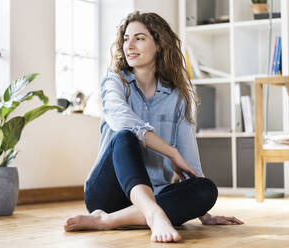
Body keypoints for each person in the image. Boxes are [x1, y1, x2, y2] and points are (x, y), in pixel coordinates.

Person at [64, 11, 243, 243]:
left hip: (155, 192)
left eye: (139, 38)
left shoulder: (178, 97)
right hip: (108, 194)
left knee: (206, 189)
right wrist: (171, 151)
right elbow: (123, 121)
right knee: (125, 136)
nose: (129, 45)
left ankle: (107, 221)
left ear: (159, 44)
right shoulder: (114, 80)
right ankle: (153, 213)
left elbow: (189, 162)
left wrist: (203, 211)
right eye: (126, 38)